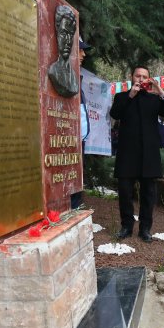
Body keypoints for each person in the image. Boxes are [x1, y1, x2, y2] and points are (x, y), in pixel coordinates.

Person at [110, 66, 164, 242]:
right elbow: (115, 113)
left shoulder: (154, 99)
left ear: (149, 79)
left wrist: (160, 91)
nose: (141, 78)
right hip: (127, 153)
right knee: (125, 192)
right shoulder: (122, 96)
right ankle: (126, 226)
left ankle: (145, 229)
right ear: (132, 77)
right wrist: (131, 95)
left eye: (144, 76)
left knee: (148, 194)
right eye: (138, 75)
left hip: (149, 154)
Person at [70, 37, 91, 210]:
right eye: (80, 49)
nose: (84, 54)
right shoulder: (65, 77)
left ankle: (74, 211)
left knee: (77, 183)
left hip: (79, 142)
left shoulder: (77, 79)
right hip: (67, 142)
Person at [48, 5, 79, 97]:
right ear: (57, 33)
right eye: (64, 33)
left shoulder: (74, 78)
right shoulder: (53, 71)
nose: (68, 41)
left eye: (71, 34)